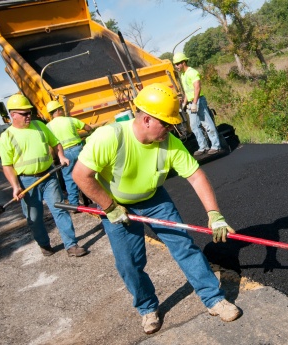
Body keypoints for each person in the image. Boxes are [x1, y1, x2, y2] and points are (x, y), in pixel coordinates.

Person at [72, 83, 241, 334]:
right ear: (147, 120)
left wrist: (214, 214)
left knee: (184, 247)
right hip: (115, 205)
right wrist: (109, 206)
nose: (171, 129)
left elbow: (196, 176)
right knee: (129, 263)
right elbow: (81, 175)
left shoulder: (169, 143)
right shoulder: (110, 137)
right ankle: (147, 308)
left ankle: (214, 299)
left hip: (154, 200)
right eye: (167, 123)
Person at [0, 94, 88, 258]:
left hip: (48, 176)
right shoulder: (7, 137)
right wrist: (15, 186)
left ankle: (72, 245)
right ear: (13, 115)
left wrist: (61, 156)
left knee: (60, 209)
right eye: (24, 114)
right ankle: (44, 244)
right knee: (34, 216)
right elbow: (7, 165)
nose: (28, 116)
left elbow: (55, 142)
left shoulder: (39, 126)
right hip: (26, 181)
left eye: (29, 113)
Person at [45, 100, 93, 209]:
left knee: (69, 178)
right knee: (89, 173)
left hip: (64, 155)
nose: (62, 110)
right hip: (79, 150)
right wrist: (91, 134)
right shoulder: (70, 120)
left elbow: (49, 144)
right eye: (61, 109)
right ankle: (97, 198)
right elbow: (88, 128)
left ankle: (74, 204)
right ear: (58, 110)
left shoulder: (48, 127)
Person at [173, 52, 223, 156]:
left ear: (183, 62)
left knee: (207, 124)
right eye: (175, 64)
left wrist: (195, 103)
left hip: (198, 100)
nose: (176, 66)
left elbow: (197, 87)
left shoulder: (192, 72)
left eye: (177, 64)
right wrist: (184, 104)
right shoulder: (183, 75)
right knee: (194, 126)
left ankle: (216, 146)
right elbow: (187, 91)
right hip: (191, 103)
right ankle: (203, 147)